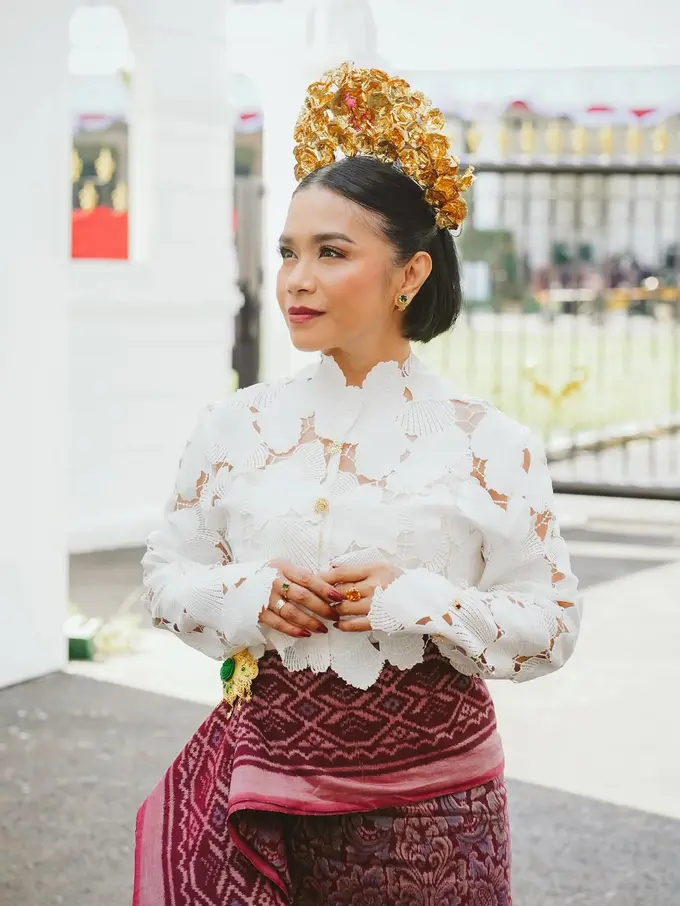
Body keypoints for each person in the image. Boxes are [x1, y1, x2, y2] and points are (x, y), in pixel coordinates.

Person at [133, 63, 581, 906]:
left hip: (437, 823)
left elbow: (551, 627)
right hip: (261, 802)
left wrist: (419, 599)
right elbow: (164, 578)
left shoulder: (489, 444)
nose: (296, 279)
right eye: (288, 252)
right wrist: (249, 594)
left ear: (408, 275)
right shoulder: (235, 427)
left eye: (331, 253)